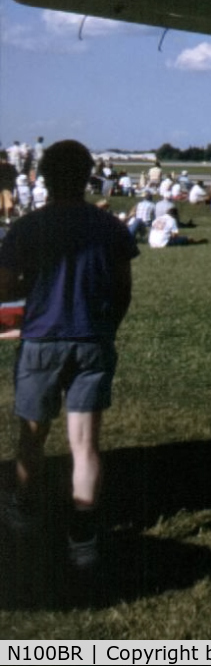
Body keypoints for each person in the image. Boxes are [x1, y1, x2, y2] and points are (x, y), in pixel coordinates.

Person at [0, 140, 138, 570]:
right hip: (92, 340)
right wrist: (106, 328)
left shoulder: (27, 227)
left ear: (43, 177)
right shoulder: (110, 226)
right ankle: (83, 533)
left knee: (32, 436)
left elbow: (4, 288)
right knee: (84, 445)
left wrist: (32, 292)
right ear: (86, 177)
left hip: (41, 341)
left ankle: (23, 509)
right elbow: (122, 290)